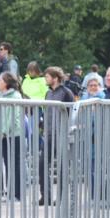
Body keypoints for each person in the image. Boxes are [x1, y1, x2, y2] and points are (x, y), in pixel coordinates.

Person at [39, 67, 74, 206]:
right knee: (42, 164)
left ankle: (61, 197)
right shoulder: (48, 93)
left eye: (47, 76)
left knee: (61, 167)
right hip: (48, 134)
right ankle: (45, 196)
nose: (45, 79)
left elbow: (71, 112)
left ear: (55, 78)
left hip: (61, 134)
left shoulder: (66, 93)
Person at [0, 72, 26, 201]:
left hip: (13, 135)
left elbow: (15, 117)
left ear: (6, 82)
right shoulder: (1, 96)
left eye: (0, 80)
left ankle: (16, 194)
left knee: (14, 164)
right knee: (7, 164)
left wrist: (6, 131)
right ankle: (10, 192)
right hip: (3, 134)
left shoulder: (15, 96)